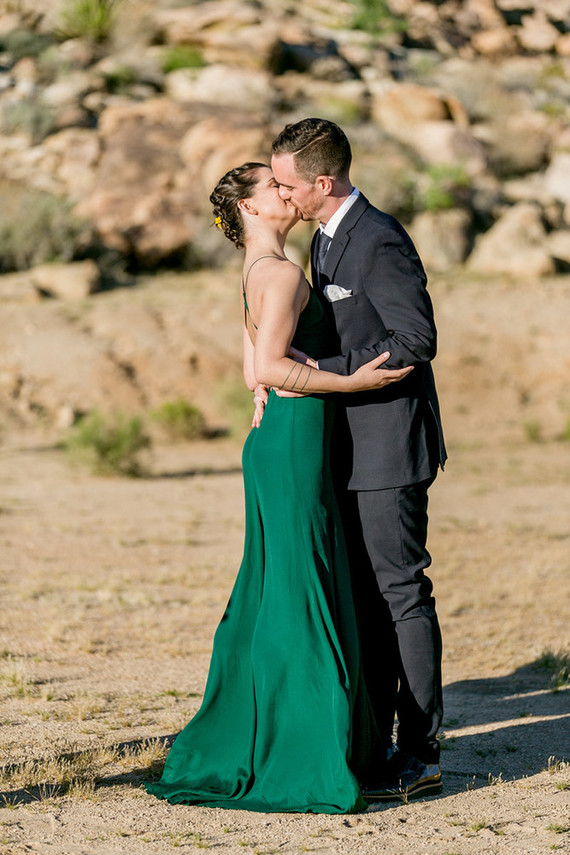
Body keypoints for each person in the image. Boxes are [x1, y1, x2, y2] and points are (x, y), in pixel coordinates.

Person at [144, 162, 412, 813]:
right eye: (273, 186)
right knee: (299, 586)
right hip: (292, 446)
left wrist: (274, 383)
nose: (286, 192)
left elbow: (250, 376)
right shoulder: (286, 273)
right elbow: (266, 366)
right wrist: (348, 383)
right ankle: (303, 748)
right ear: (249, 208)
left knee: (284, 585)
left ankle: (282, 730)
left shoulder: (257, 272)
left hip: (279, 441)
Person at [270, 118, 447, 801]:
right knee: (368, 601)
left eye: (287, 183)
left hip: (390, 444)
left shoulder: (379, 239)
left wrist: (326, 367)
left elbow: (416, 338)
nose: (281, 194)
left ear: (323, 180)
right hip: (345, 446)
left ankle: (423, 751)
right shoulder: (323, 238)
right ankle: (374, 739)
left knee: (401, 594)